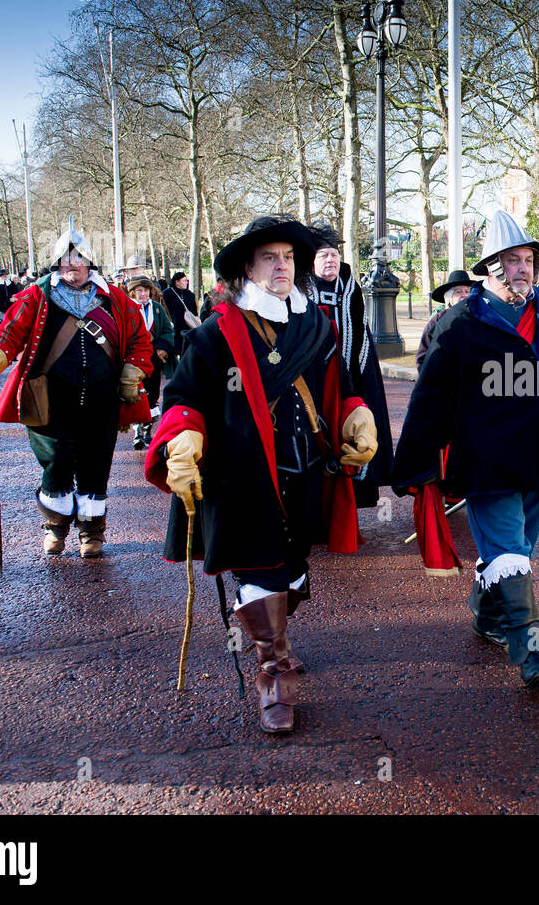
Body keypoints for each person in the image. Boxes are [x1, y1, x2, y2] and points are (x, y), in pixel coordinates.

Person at [143, 215, 378, 734]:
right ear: (247, 268)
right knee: (258, 570)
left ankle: (273, 637)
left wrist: (354, 412)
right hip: (240, 478)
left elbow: (336, 386)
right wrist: (184, 433)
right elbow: (183, 397)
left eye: (288, 257)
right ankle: (273, 675)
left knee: (289, 569)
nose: (282, 266)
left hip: (306, 473)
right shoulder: (215, 334)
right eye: (270, 257)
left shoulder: (317, 325)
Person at [392, 210, 539, 688]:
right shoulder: (459, 323)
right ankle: (527, 645)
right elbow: (430, 399)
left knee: (518, 550)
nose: (523, 268)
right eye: (512, 260)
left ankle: (486, 614)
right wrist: (412, 463)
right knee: (509, 546)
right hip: (486, 460)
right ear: (490, 268)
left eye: (528, 259)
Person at [0, 223, 153, 558]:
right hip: (50, 398)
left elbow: (141, 338)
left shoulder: (115, 299)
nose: (74, 266)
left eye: (80, 260)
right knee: (56, 460)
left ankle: (92, 532)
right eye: (67, 261)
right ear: (57, 265)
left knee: (96, 464)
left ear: (90, 264)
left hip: (101, 397)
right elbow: (9, 333)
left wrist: (132, 372)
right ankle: (56, 524)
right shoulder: (37, 295)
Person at [302, 223, 395, 508]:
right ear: (312, 261)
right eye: (323, 256)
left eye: (334, 255)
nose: (331, 260)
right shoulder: (301, 293)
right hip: (311, 383)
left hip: (349, 378)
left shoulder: (351, 291)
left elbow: (360, 335)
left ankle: (346, 505)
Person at [126, 276, 176, 450]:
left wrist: (162, 347)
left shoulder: (156, 308)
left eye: (146, 291)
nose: (143, 294)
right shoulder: (127, 308)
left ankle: (147, 432)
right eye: (139, 290)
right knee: (135, 395)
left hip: (153, 360)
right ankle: (137, 433)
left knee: (152, 396)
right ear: (133, 292)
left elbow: (168, 330)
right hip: (132, 360)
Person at [415, 268, 472, 370]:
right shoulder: (437, 320)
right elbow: (423, 357)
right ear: (449, 298)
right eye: (458, 292)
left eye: (467, 291)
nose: (464, 295)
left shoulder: (479, 318)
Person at [163, 271, 200, 354]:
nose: (186, 283)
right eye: (184, 281)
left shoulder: (190, 294)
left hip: (188, 327)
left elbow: (194, 310)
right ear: (177, 282)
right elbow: (165, 309)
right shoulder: (167, 293)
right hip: (175, 327)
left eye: (186, 281)